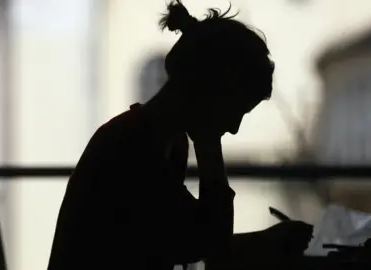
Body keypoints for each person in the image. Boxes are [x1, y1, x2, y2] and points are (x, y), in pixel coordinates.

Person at [47, 1, 313, 269]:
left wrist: (265, 241)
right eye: (235, 111)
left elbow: (185, 238)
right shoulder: (133, 148)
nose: (234, 127)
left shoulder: (157, 140)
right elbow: (207, 241)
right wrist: (209, 145)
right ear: (213, 90)